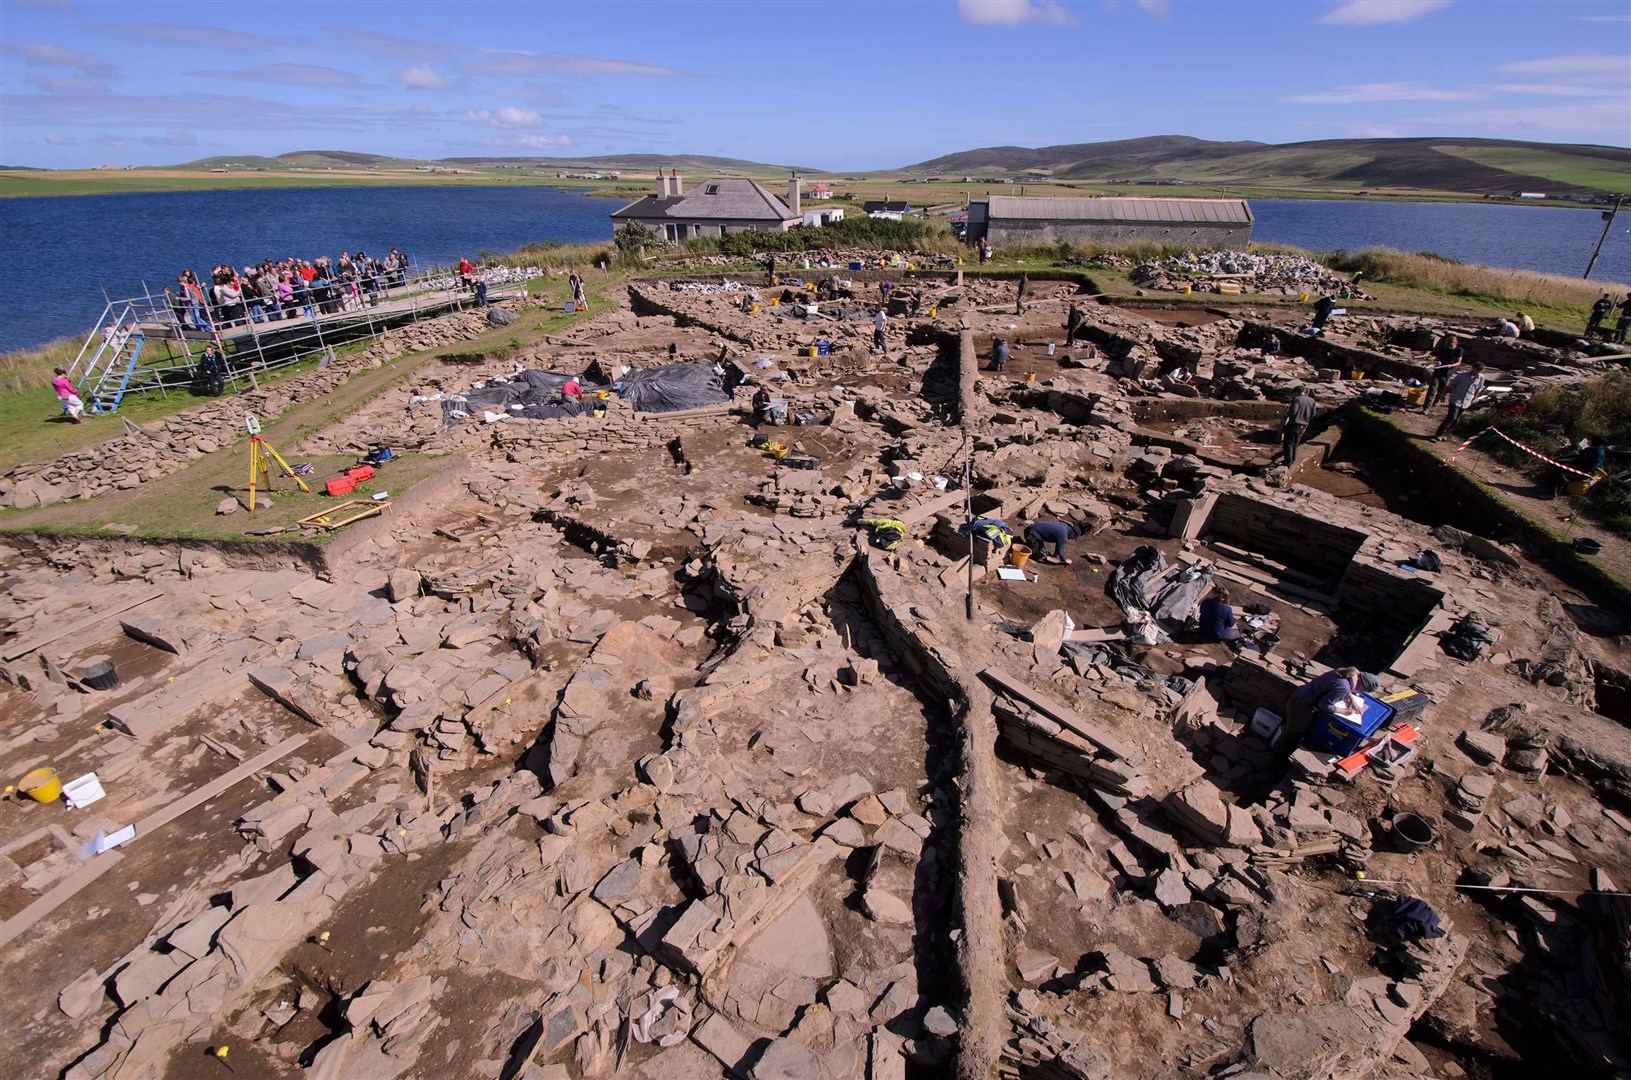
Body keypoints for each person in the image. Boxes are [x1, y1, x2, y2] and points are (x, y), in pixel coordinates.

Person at [1284, 666, 1363, 742]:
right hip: (1302, 705)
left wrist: (1352, 699)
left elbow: (1341, 685)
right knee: (1293, 735)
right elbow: (1324, 705)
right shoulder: (1344, 688)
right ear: (1362, 686)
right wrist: (1342, 711)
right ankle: (1277, 753)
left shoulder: (1345, 672)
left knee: (1290, 730)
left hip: (1299, 695)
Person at [1435, 361, 1486, 440]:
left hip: (1467, 401)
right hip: (1456, 398)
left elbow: (1478, 389)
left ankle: (1447, 434)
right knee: (1452, 417)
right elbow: (1451, 385)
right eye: (1477, 369)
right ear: (1473, 368)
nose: (1477, 372)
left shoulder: (1481, 377)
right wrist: (1443, 395)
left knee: (1457, 419)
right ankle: (1440, 433)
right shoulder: (1462, 376)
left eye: (1479, 371)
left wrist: (1474, 399)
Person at [1421, 334, 1463, 411]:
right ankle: (1426, 407)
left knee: (1442, 389)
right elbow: (1437, 359)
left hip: (1447, 372)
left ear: (1455, 342)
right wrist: (1438, 362)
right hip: (1438, 371)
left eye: (1452, 342)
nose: (1450, 344)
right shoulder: (1443, 350)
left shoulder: (1458, 350)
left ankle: (1436, 401)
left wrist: (1450, 365)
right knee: (1432, 389)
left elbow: (1458, 362)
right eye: (1449, 342)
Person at [1282, 385, 1316, 467]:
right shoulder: (1312, 401)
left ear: (1296, 392)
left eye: (1293, 394)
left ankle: (1288, 462)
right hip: (1304, 425)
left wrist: (1286, 413)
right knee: (1296, 443)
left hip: (1294, 424)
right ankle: (1293, 460)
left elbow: (1293, 412)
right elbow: (1313, 414)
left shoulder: (1297, 399)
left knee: (1289, 443)